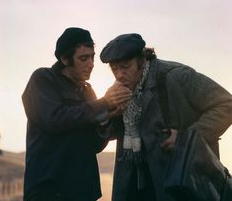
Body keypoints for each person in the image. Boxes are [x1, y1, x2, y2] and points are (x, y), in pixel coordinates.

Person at [99, 33, 232, 201]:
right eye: (114, 69)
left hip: (178, 184)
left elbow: (227, 105)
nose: (119, 75)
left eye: (125, 67)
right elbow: (111, 134)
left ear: (142, 60)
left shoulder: (175, 75)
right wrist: (108, 111)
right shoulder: (120, 90)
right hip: (136, 186)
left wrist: (185, 139)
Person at [22, 27, 132, 201]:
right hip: (49, 188)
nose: (91, 64)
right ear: (65, 59)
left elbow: (95, 145)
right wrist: (104, 103)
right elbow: (54, 119)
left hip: (83, 191)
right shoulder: (43, 79)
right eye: (83, 58)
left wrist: (111, 116)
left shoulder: (88, 92)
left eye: (92, 57)